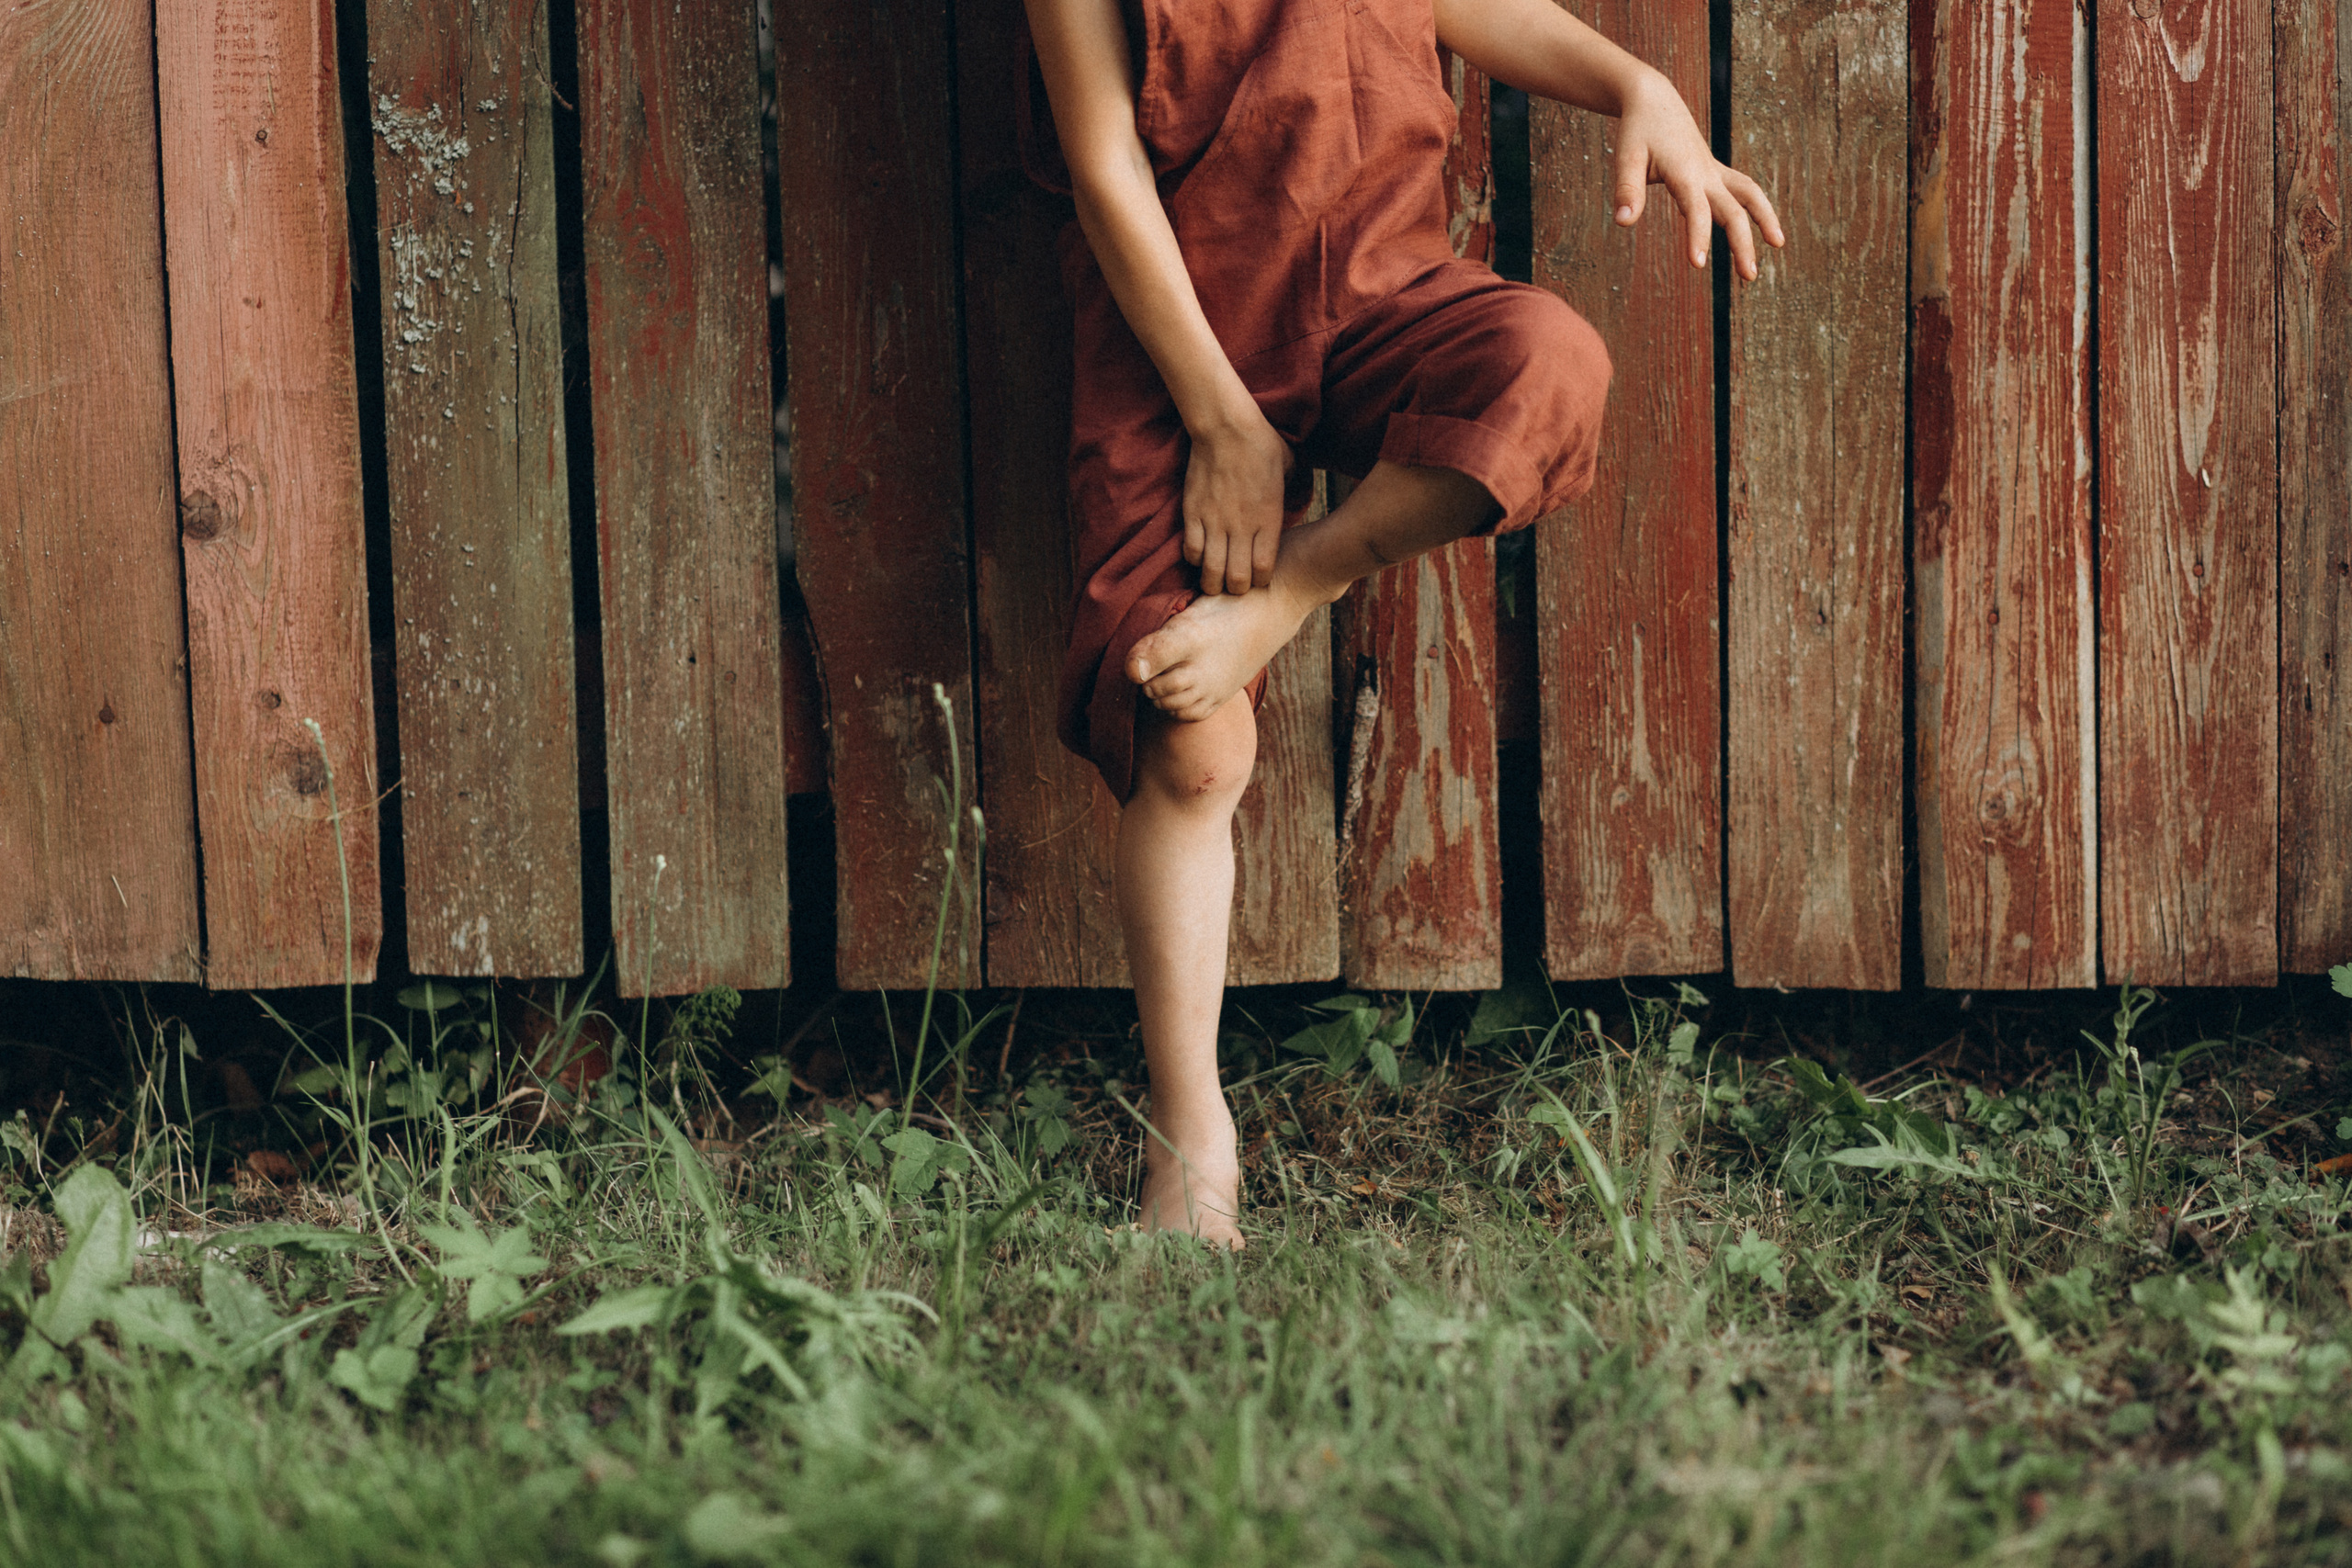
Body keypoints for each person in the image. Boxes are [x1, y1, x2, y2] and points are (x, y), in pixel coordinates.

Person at [1022, 0, 1783, 1247]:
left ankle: (1292, 588)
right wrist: (1222, 423)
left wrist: (1634, 83)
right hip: (1174, 350)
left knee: (1550, 365)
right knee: (1188, 743)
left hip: (1384, 297)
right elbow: (1106, 170)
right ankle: (1191, 1128)